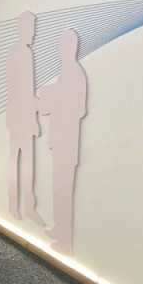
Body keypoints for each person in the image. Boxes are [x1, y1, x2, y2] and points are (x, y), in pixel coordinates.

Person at [38, 29, 87, 255]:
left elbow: (78, 108)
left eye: (63, 45)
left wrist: (52, 99)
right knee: (58, 187)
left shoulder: (74, 73)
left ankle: (65, 241)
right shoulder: (67, 71)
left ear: (70, 47)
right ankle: (59, 229)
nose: (60, 49)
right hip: (61, 140)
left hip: (67, 142)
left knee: (64, 189)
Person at [5, 11, 43, 224]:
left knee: (21, 161)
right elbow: (21, 90)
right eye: (31, 28)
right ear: (23, 28)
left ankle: (22, 206)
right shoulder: (21, 53)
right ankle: (21, 206)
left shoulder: (18, 51)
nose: (33, 33)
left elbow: (23, 90)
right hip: (21, 118)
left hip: (20, 117)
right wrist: (36, 106)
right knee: (22, 161)